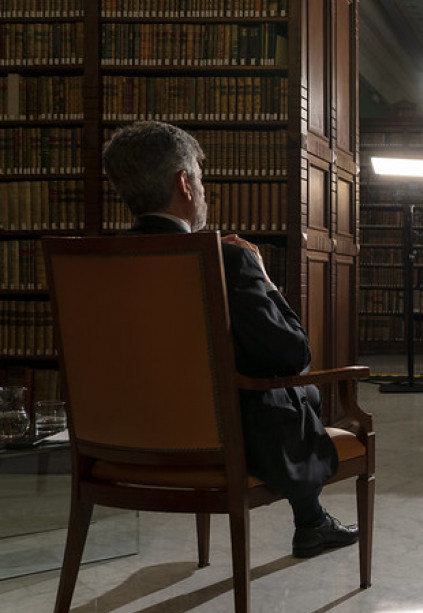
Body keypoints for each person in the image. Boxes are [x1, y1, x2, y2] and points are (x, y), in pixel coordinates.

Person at [102, 120, 357, 559]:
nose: (203, 190)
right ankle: (312, 521)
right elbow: (295, 352)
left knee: (297, 392)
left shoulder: (98, 264)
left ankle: (312, 521)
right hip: (225, 442)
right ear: (184, 183)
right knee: (303, 390)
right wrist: (263, 276)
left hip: (123, 438)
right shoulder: (228, 260)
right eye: (200, 180)